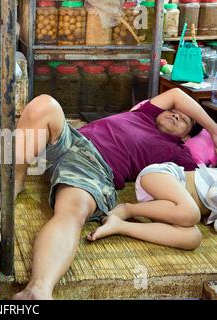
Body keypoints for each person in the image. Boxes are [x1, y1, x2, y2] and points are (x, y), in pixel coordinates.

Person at [13, 88, 217, 300]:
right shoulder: (144, 113)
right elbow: (176, 94)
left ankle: (38, 289)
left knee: (72, 212)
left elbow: (195, 191)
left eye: (185, 120)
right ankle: (17, 181)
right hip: (73, 138)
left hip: (95, 168)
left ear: (186, 137)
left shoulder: (180, 155)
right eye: (174, 111)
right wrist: (214, 129)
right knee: (44, 104)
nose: (177, 114)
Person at [87, 161, 217, 250]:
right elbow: (213, 194)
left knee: (193, 238)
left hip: (168, 209)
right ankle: (129, 209)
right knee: (191, 214)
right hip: (162, 176)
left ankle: (120, 226)